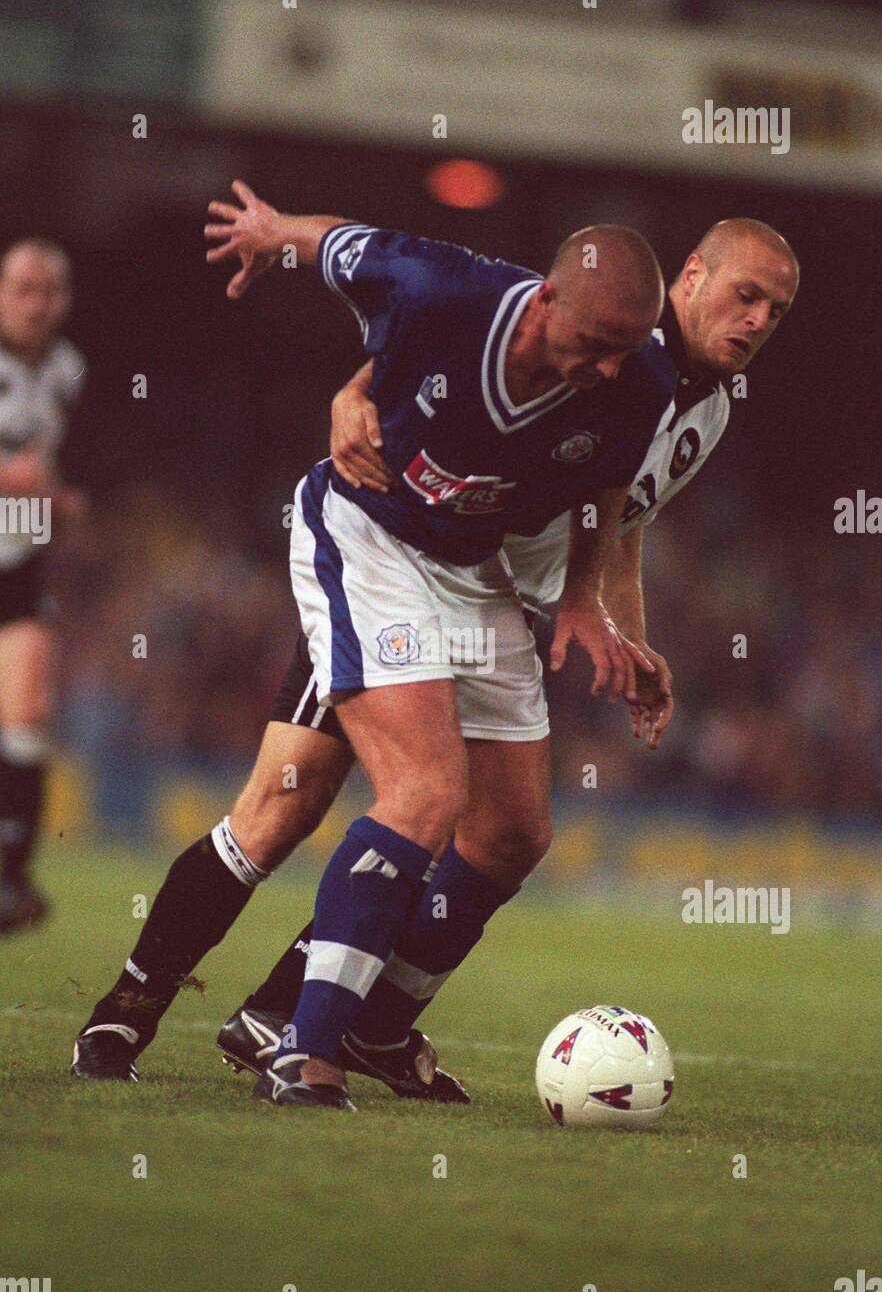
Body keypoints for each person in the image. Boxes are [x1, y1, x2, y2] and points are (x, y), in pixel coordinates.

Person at [73, 184, 674, 1098]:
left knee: (511, 832)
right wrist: (270, 234)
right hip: (367, 544)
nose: (602, 373)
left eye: (621, 355)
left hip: (475, 576)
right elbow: (335, 243)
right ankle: (277, 1047)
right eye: (592, 348)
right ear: (546, 299)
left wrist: (587, 597)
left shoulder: (642, 383)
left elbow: (602, 493)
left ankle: (364, 1028)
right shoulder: (442, 289)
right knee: (377, 798)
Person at [0, 239, 86, 933]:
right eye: (23, 288)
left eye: (49, 290)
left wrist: (61, 498)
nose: (36, 303)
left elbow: (49, 470)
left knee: (27, 712)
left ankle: (10, 878)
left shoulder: (66, 369)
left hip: (19, 565)